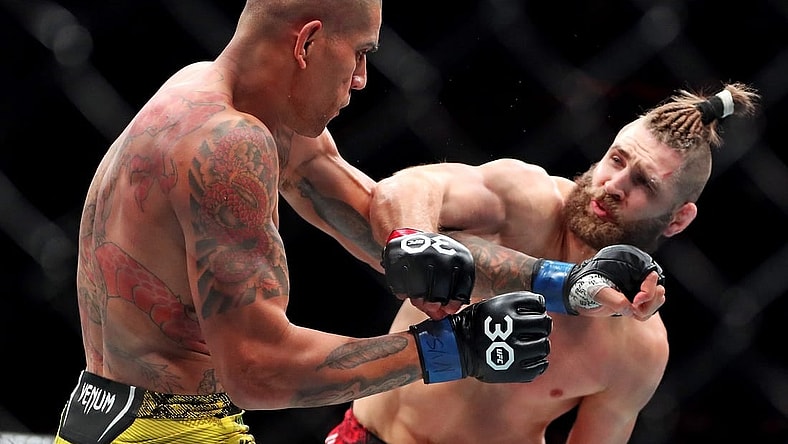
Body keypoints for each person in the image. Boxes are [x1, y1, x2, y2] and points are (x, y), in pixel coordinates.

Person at [53, 1, 555, 443]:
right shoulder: (228, 142)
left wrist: (557, 281)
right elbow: (256, 368)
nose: (361, 78)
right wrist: (454, 348)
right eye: (360, 52)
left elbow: (374, 223)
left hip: (104, 413)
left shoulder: (206, 93)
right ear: (308, 42)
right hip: (175, 431)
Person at [325, 82, 760, 444]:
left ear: (679, 219)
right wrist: (413, 238)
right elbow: (412, 185)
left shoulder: (639, 347)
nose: (613, 185)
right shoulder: (526, 201)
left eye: (643, 183)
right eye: (616, 159)